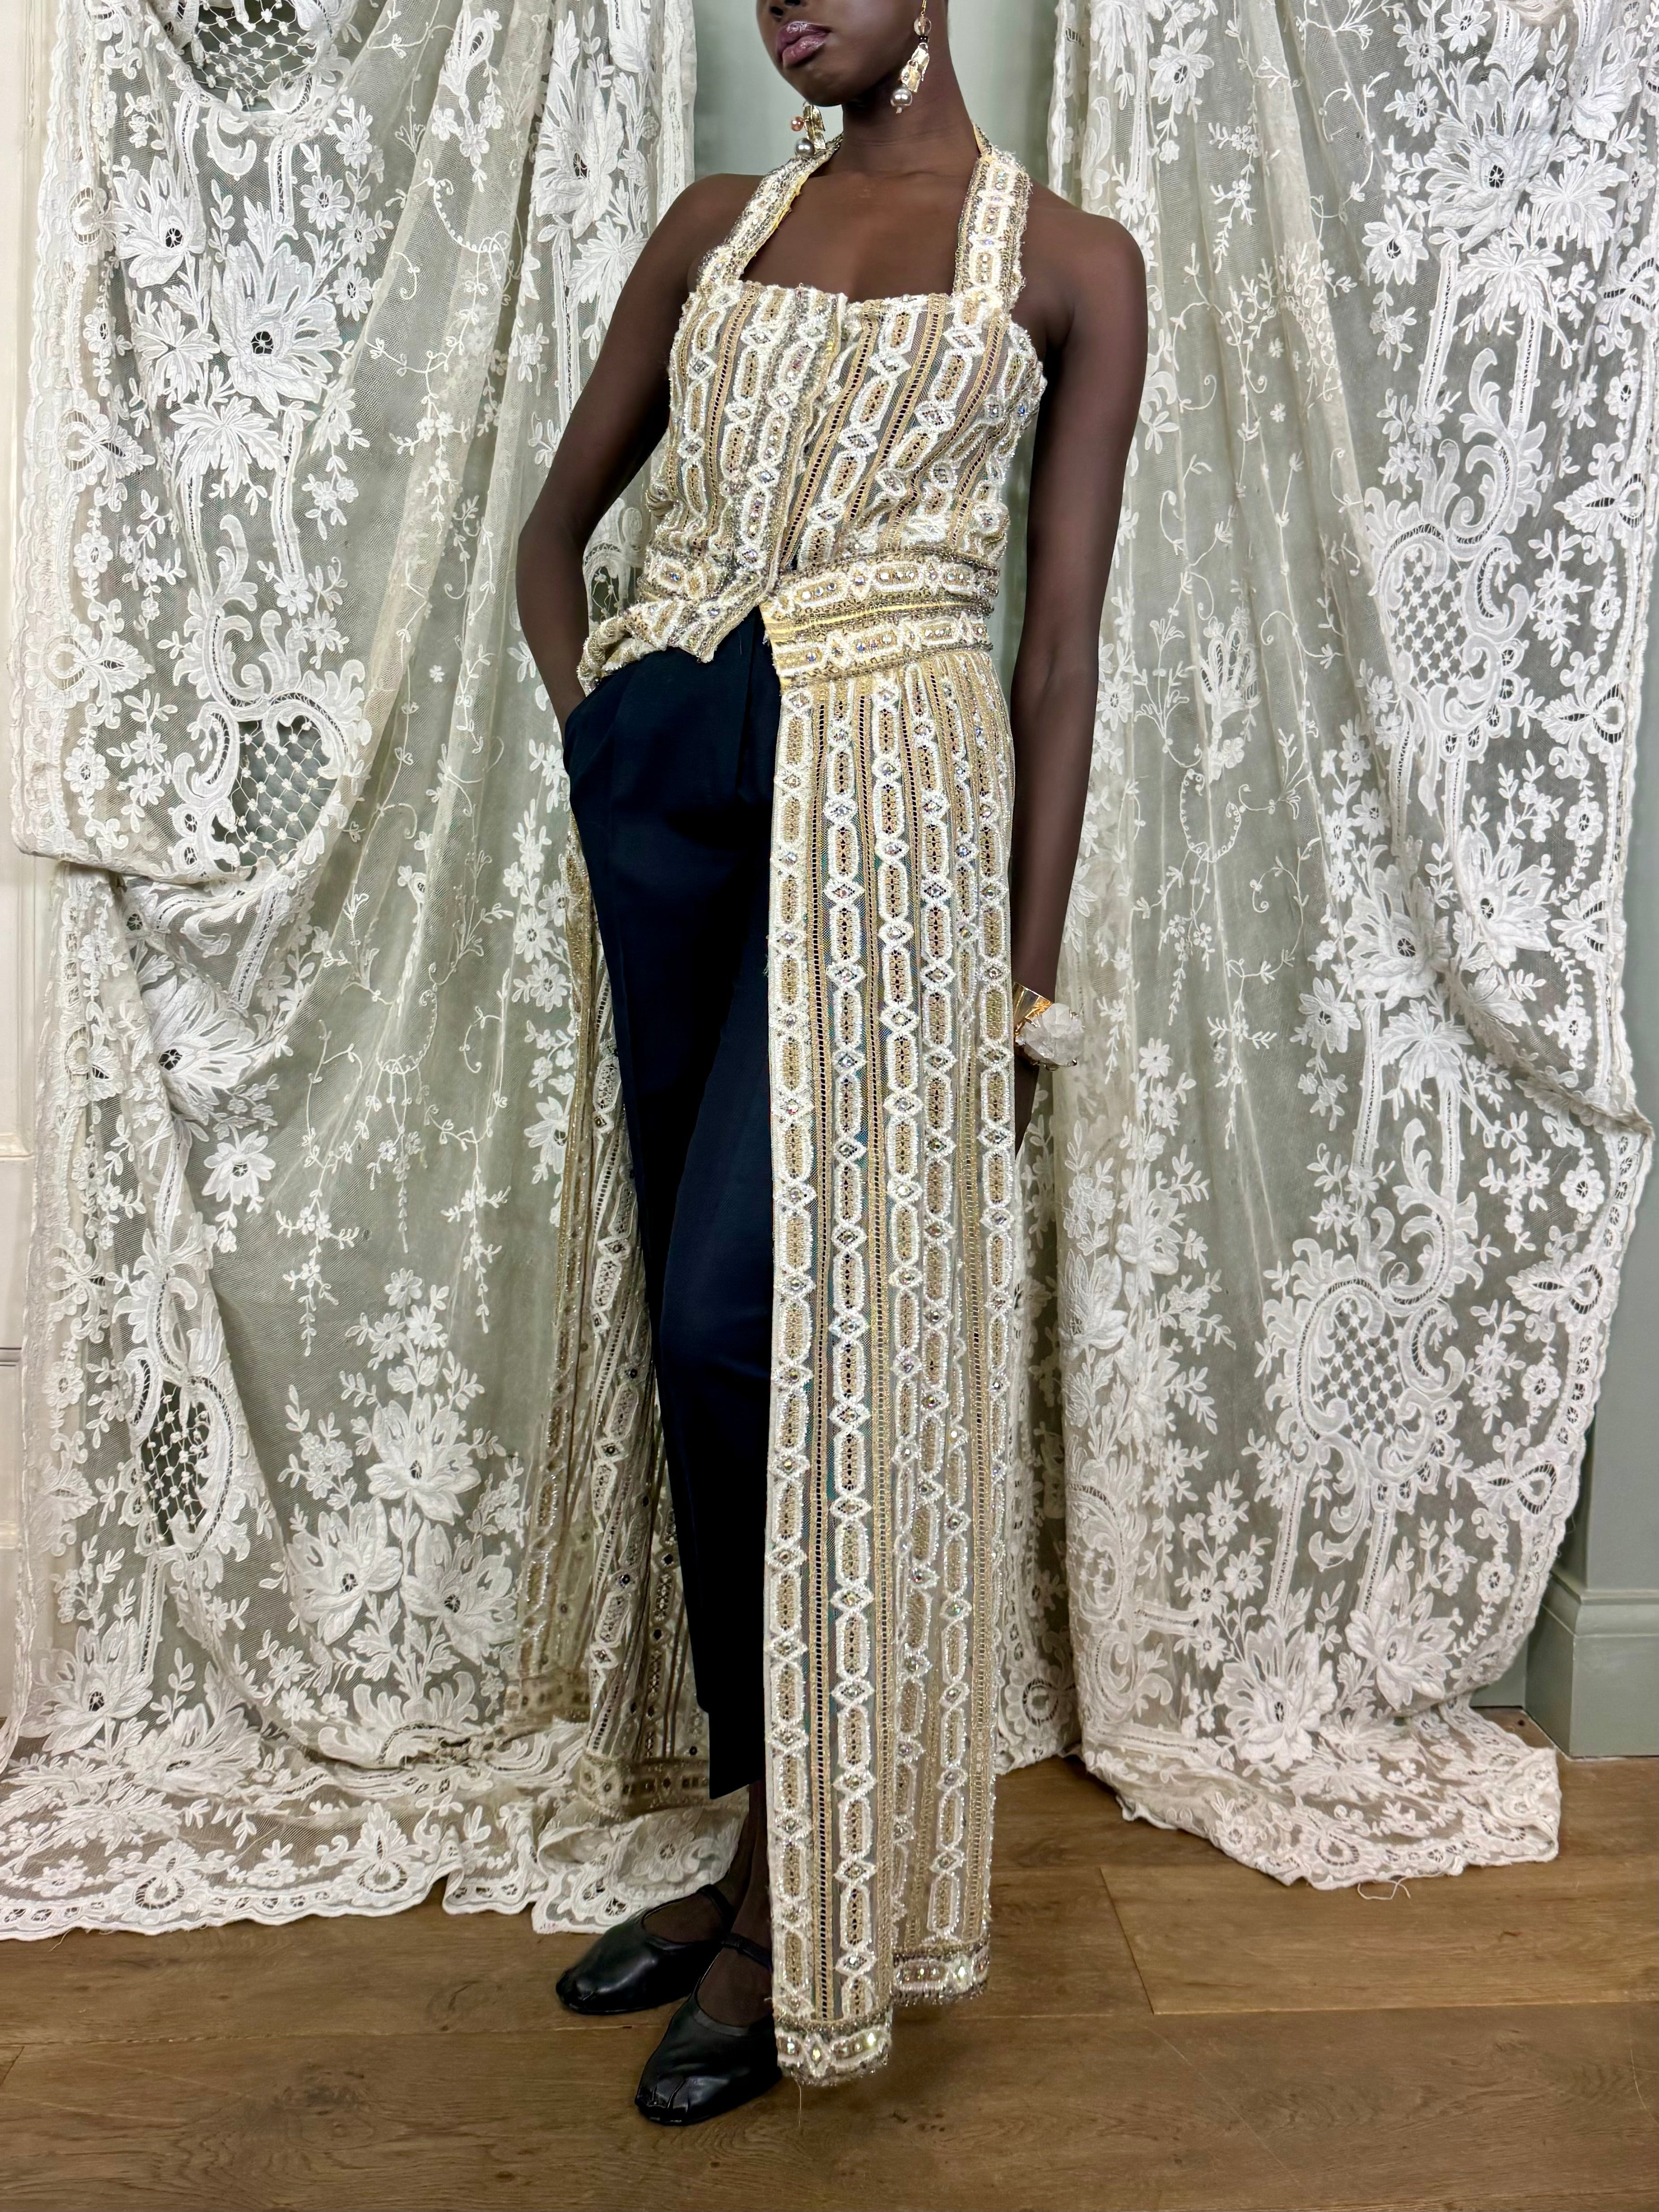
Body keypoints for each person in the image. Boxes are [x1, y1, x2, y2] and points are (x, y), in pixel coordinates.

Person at [515, 0, 1145, 2128]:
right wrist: (605, 740)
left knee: (778, 1331)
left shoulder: (1067, 263)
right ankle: (754, 1849)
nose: (787, 0)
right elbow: (551, 534)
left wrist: (1022, 977)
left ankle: (802, 1903)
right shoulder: (714, 223)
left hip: (889, 842)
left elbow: (1056, 653)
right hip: (683, 804)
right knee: (690, 1341)